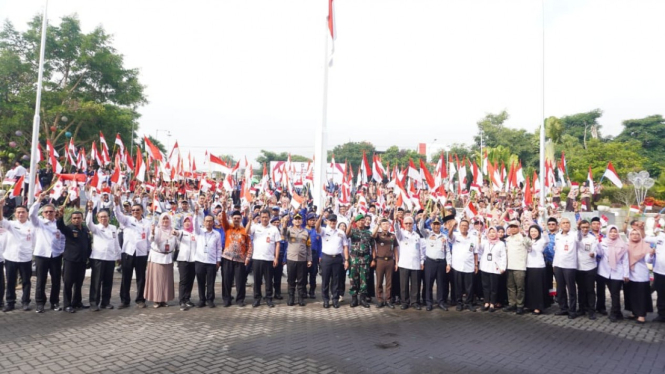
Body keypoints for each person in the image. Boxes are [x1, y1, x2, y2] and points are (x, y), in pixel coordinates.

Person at [29, 193, 66, 313]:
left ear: (55, 212)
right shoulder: (38, 222)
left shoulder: (59, 224)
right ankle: (40, 303)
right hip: (41, 255)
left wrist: (61, 251)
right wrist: (39, 200)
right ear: (43, 213)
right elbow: (31, 214)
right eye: (46, 212)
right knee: (41, 280)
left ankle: (54, 302)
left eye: (51, 211)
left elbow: (63, 239)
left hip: (55, 256)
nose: (49, 213)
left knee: (56, 280)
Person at [114, 194, 151, 309]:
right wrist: (116, 204)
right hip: (128, 253)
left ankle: (140, 300)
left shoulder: (147, 223)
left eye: (138, 210)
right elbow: (118, 215)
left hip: (141, 253)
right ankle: (125, 301)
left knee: (141, 278)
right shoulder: (127, 220)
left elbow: (149, 238)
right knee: (126, 277)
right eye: (133, 210)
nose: (135, 211)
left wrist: (149, 252)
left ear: (142, 211)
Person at [86, 201, 121, 311]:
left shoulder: (113, 228)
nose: (103, 219)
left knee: (108, 282)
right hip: (98, 258)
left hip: (110, 258)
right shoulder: (95, 228)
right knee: (96, 282)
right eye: (101, 217)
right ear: (98, 218)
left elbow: (116, 243)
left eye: (105, 216)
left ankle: (105, 302)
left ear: (108, 217)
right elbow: (88, 223)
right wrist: (90, 211)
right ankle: (93, 303)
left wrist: (118, 255)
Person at [0, 200, 34, 312]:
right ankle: (10, 302)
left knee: (26, 281)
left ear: (27, 213)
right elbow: (1, 219)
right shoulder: (11, 224)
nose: (21, 214)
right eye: (18, 212)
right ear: (15, 214)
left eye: (23, 212)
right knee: (10, 281)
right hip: (11, 257)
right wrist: (0, 206)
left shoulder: (32, 226)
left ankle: (25, 302)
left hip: (26, 258)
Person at [56, 209, 92, 313]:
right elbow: (60, 226)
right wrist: (60, 217)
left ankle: (77, 302)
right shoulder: (69, 229)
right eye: (74, 218)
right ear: (71, 220)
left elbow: (88, 244)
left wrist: (88, 257)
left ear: (82, 219)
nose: (77, 220)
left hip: (82, 261)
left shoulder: (85, 230)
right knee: (68, 283)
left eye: (78, 218)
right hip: (70, 261)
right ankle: (67, 305)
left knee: (79, 283)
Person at [220, 208, 252, 307]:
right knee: (226, 280)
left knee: (240, 281)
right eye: (235, 218)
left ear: (241, 219)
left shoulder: (245, 230)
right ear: (232, 219)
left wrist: (248, 257)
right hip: (227, 258)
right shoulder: (228, 228)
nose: (236, 220)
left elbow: (249, 245)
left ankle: (240, 300)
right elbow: (223, 219)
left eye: (238, 218)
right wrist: (224, 209)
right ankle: (227, 299)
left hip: (240, 260)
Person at [596, 225, 629, 322]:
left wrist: (626, 274)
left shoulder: (623, 245)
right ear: (607, 232)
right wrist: (597, 244)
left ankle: (614, 313)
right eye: (611, 232)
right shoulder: (603, 243)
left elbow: (625, 261)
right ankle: (618, 313)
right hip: (605, 271)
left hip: (617, 272)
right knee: (612, 293)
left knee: (615, 294)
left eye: (615, 232)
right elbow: (600, 254)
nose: (613, 234)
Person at [249, 209, 281, 308]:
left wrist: (276, 258)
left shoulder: (274, 229)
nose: (264, 219)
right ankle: (257, 298)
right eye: (262, 217)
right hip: (257, 258)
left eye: (266, 217)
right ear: (260, 218)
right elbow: (246, 232)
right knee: (257, 280)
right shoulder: (255, 227)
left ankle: (269, 298)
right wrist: (249, 220)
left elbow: (278, 244)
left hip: (269, 258)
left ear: (269, 218)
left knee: (268, 280)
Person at [316, 212, 347, 309]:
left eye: (334, 221)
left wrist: (346, 260)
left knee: (336, 280)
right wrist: (320, 217)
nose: (333, 222)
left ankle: (335, 299)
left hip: (337, 258)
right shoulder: (324, 231)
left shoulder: (341, 233)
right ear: (327, 221)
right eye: (331, 221)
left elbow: (345, 246)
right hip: (326, 258)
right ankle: (325, 300)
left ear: (336, 221)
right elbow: (317, 228)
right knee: (325, 280)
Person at [553, 218, 581, 319]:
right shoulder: (557, 236)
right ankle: (563, 308)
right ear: (560, 225)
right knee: (560, 289)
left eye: (567, 223)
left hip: (570, 265)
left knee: (571, 289)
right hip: (558, 265)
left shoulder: (575, 235)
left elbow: (580, 238)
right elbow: (556, 251)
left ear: (570, 224)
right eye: (563, 223)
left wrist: (578, 228)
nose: (565, 224)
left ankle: (572, 310)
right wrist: (554, 265)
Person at [146, 213, 176, 308]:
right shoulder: (157, 230)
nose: (165, 221)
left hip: (167, 258)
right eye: (163, 219)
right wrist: (153, 232)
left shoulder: (172, 230)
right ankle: (156, 300)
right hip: (156, 258)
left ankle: (164, 299)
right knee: (156, 280)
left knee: (166, 280)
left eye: (167, 219)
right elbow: (151, 239)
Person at [419, 216, 450, 311]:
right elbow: (420, 228)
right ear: (431, 225)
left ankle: (440, 302)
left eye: (438, 224)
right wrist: (423, 218)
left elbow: (448, 251)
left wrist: (449, 264)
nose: (436, 226)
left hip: (441, 262)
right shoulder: (428, 234)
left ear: (440, 225)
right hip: (430, 262)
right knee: (428, 283)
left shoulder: (444, 237)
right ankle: (429, 302)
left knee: (441, 283)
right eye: (434, 224)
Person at [395, 215, 424, 310]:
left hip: (415, 263)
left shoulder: (416, 235)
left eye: (410, 223)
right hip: (404, 263)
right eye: (406, 223)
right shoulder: (401, 234)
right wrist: (396, 221)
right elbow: (397, 230)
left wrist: (422, 261)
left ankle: (414, 301)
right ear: (403, 224)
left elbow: (420, 250)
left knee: (416, 284)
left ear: (413, 224)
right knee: (404, 284)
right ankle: (404, 302)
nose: (408, 225)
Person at [345, 214, 375, 308]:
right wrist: (350, 222)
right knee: (353, 278)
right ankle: (354, 299)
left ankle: (362, 298)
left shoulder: (368, 233)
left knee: (364, 279)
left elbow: (373, 247)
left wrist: (373, 259)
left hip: (365, 258)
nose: (361, 222)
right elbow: (347, 233)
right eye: (359, 221)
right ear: (356, 222)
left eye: (363, 220)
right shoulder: (353, 231)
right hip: (354, 258)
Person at [448, 219, 478, 312]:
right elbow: (449, 235)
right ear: (459, 226)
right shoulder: (456, 235)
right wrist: (452, 226)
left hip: (469, 266)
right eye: (462, 225)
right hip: (457, 266)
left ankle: (469, 303)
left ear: (468, 227)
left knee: (469, 287)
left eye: (465, 225)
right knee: (458, 286)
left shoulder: (473, 238)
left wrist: (476, 265)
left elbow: (475, 253)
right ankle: (459, 303)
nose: (464, 227)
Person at [193, 214, 223, 307]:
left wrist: (218, 260)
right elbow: (195, 225)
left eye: (210, 221)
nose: (208, 223)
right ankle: (202, 300)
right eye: (206, 221)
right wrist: (196, 213)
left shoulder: (216, 234)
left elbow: (219, 248)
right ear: (203, 222)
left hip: (211, 261)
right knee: (201, 281)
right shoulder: (200, 232)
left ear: (213, 222)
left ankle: (210, 300)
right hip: (200, 261)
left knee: (211, 282)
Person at [624, 229, 653, 324]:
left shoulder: (645, 246)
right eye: (632, 234)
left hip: (641, 274)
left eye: (637, 234)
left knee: (641, 295)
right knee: (632, 294)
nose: (635, 236)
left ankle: (641, 315)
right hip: (629, 274)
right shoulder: (626, 246)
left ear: (640, 235)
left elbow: (648, 260)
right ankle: (634, 312)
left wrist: (651, 254)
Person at [503, 220, 530, 315]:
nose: (513, 228)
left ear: (519, 227)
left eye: (515, 226)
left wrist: (524, 236)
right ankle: (512, 303)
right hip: (509, 266)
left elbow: (530, 246)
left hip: (520, 266)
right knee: (510, 287)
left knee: (520, 287)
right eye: (511, 227)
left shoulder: (523, 237)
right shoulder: (508, 239)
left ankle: (520, 305)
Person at [478, 226, 506, 312]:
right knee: (486, 286)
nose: (492, 234)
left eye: (493, 232)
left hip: (495, 268)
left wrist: (502, 267)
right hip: (485, 267)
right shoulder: (485, 242)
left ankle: (492, 303)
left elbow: (503, 256)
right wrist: (479, 239)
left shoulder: (501, 243)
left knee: (494, 287)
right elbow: (479, 249)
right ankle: (486, 302)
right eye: (490, 232)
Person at [372, 218, 398, 309]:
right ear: (381, 226)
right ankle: (379, 300)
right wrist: (378, 224)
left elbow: (395, 250)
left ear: (389, 225)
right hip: (380, 261)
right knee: (379, 281)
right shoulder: (378, 235)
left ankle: (388, 299)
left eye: (387, 224)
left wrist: (396, 263)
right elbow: (372, 235)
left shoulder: (392, 236)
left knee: (389, 282)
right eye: (384, 224)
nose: (385, 226)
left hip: (390, 261)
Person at [525, 225, 550, 315]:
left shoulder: (541, 241)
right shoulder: (527, 240)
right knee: (530, 288)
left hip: (538, 267)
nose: (533, 233)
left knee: (538, 288)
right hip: (528, 266)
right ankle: (531, 305)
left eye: (535, 231)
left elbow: (547, 240)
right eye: (531, 231)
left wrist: (544, 231)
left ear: (538, 232)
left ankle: (538, 307)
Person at [576, 220, 598, 320]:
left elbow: (596, 250)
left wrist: (594, 254)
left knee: (590, 290)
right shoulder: (576, 237)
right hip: (578, 267)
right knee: (581, 289)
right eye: (582, 227)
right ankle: (581, 309)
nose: (585, 229)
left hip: (590, 267)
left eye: (586, 227)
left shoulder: (593, 238)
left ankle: (591, 311)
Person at [175, 215, 197, 311]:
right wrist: (174, 232)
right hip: (183, 259)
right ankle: (182, 301)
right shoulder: (182, 232)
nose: (187, 223)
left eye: (189, 221)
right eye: (185, 221)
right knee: (183, 280)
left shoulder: (195, 233)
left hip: (193, 259)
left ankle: (187, 298)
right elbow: (177, 233)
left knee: (191, 280)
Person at [644, 228, 665, 322]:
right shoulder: (659, 238)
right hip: (659, 272)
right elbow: (644, 237)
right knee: (661, 294)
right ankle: (662, 314)